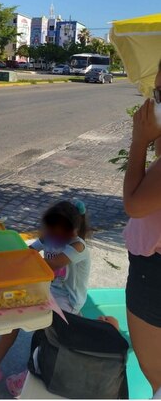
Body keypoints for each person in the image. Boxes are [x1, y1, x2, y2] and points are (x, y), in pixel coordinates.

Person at [0, 200, 93, 395]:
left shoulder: (78, 247)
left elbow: (48, 265)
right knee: (15, 316)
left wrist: (22, 261)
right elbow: (29, 252)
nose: (53, 237)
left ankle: (31, 377)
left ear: (73, 231)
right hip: (45, 290)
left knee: (44, 336)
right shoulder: (50, 237)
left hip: (67, 301)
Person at [122, 58, 161, 394]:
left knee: (158, 379)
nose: (154, 102)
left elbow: (134, 204)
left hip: (154, 276)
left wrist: (138, 141)